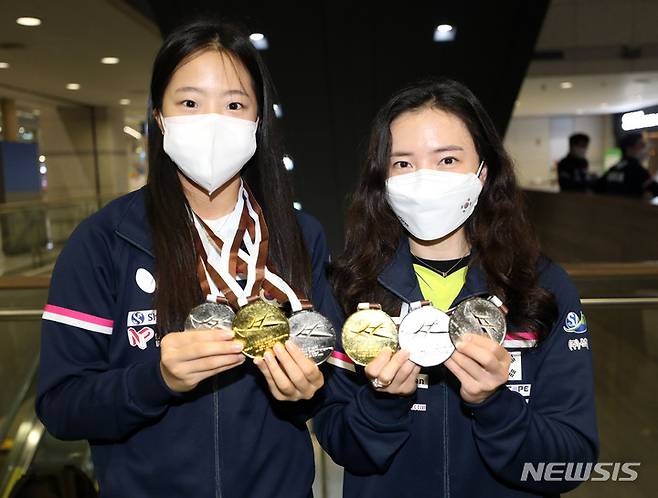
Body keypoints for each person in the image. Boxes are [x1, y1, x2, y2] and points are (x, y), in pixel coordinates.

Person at [36, 20, 342, 498]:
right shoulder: (103, 240)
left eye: (235, 104)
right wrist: (155, 379)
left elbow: (334, 395)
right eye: (190, 102)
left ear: (258, 120)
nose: (212, 121)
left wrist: (311, 392)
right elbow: (61, 405)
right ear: (159, 118)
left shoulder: (301, 236)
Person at [314, 78, 599, 497]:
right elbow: (342, 446)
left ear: (483, 172)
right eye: (403, 164)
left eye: (447, 160)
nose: (424, 179)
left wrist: (495, 405)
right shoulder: (351, 290)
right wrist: (383, 402)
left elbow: (569, 463)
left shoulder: (539, 287)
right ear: (383, 180)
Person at [593, 132, 658, 197]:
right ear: (629, 148)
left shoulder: (614, 168)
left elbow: (597, 187)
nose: (645, 149)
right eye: (641, 145)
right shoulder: (637, 170)